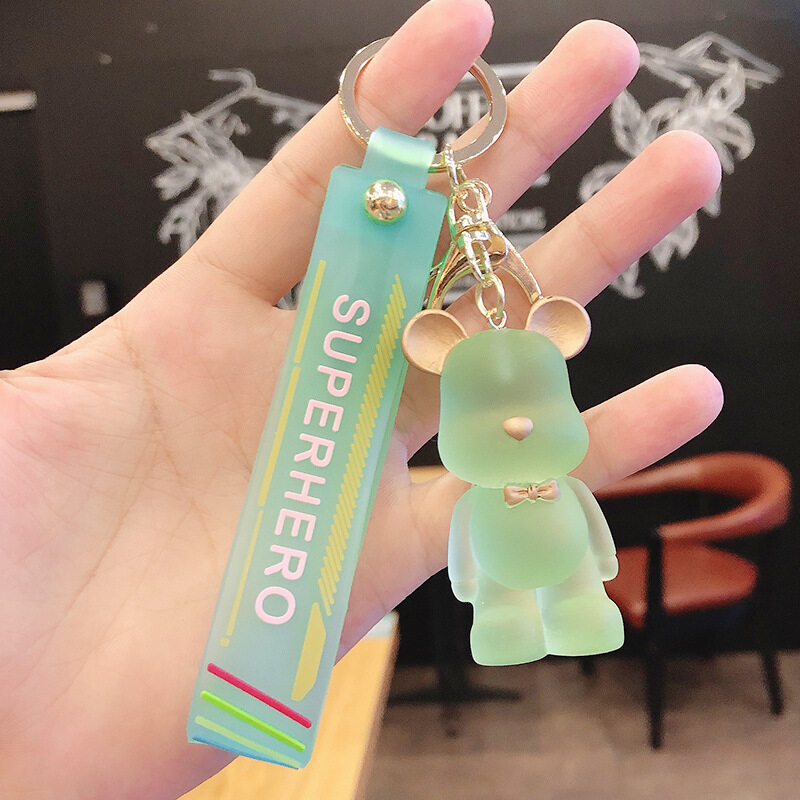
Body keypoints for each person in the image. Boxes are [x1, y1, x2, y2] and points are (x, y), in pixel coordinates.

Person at [0, 1, 724, 797]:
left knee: (574, 589)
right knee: (502, 606)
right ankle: (506, 622)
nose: (519, 421)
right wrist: (478, 587)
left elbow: (584, 535)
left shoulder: (554, 474)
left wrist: (595, 563)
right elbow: (469, 552)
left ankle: (571, 610)